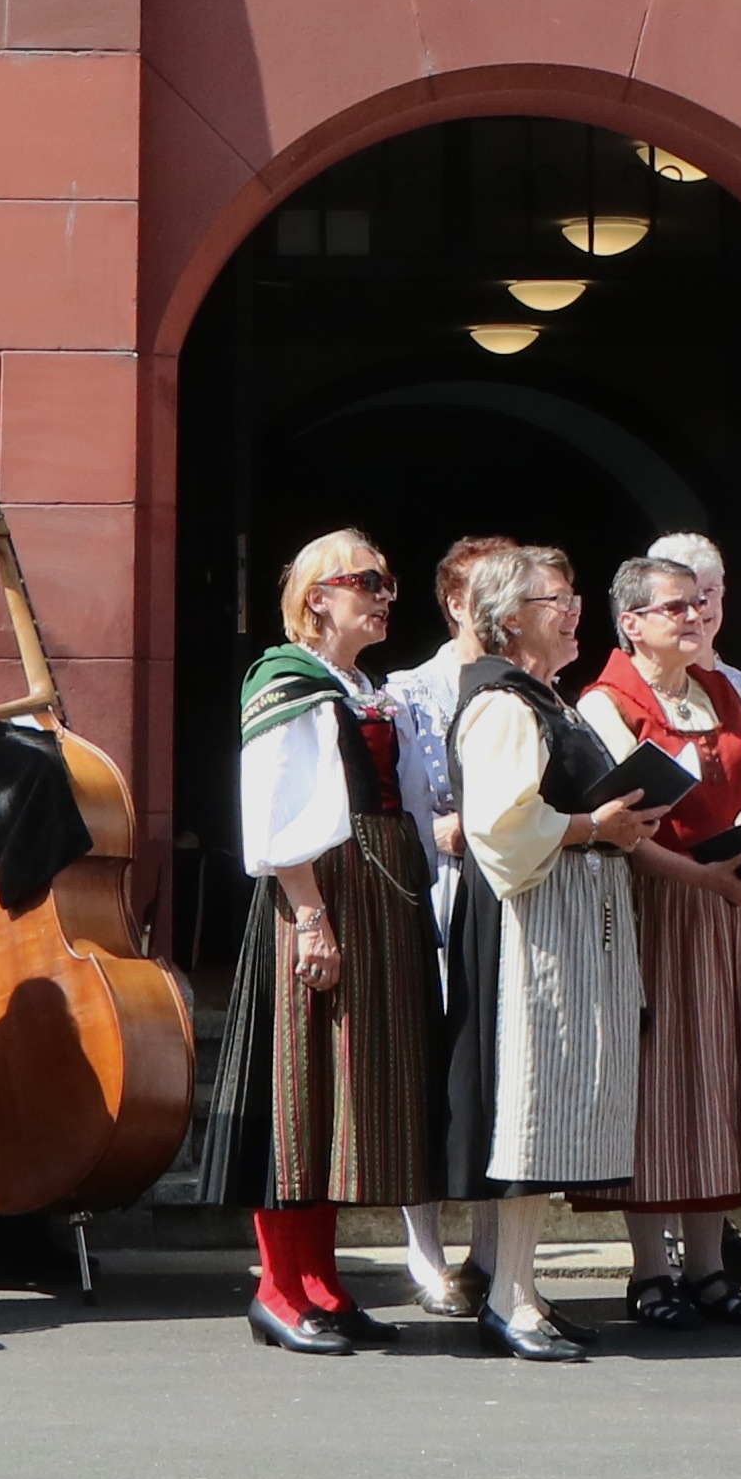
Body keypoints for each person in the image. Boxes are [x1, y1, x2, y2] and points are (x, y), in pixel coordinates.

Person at [189, 530, 448, 1355]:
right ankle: (278, 1286)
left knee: (346, 1093)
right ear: (316, 597)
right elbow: (275, 813)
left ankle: (325, 1283)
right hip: (323, 897)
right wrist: (310, 916)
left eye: (387, 580)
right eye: (365, 580)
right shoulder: (286, 680)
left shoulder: (365, 687)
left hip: (378, 897)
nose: (382, 595)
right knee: (298, 1089)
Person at [444, 541, 657, 1361]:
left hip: (572, 915)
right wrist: (591, 827)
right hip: (535, 924)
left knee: (552, 1101)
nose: (572, 612)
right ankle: (507, 1295)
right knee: (531, 1105)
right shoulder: (504, 705)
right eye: (552, 601)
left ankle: (521, 1285)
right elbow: (500, 829)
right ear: (506, 620)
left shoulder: (545, 699)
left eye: (572, 598)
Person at [593, 547, 741, 1323]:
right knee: (658, 1084)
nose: (693, 616)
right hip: (660, 907)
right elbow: (622, 825)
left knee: (719, 1079)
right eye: (675, 607)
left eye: (697, 604)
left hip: (731, 904)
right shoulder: (607, 701)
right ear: (633, 624)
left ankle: (710, 1268)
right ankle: (650, 1272)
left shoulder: (723, 691)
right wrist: (703, 877)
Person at [378, 531, 514, 1317]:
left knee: (491, 1072)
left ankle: (490, 1255)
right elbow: (397, 801)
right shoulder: (408, 691)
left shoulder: (528, 686)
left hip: (505, 890)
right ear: (459, 601)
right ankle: (425, 1256)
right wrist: (449, 827)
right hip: (437, 893)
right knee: (427, 1069)